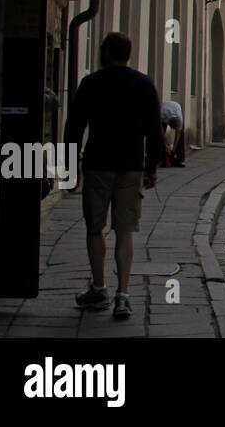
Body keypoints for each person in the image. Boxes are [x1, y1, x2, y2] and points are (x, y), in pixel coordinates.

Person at [64, 32, 162, 321]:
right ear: (128, 54)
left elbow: (74, 127)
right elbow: (154, 130)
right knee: (125, 230)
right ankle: (123, 294)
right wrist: (152, 167)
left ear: (106, 52)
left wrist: (70, 168)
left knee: (95, 229)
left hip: (98, 165)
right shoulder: (143, 85)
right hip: (130, 167)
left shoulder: (91, 83)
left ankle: (99, 287)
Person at [160, 100, 185, 167]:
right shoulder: (162, 115)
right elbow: (161, 133)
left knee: (181, 137)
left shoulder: (180, 120)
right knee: (159, 137)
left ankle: (180, 160)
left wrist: (173, 150)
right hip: (165, 108)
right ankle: (162, 159)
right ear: (170, 124)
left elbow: (178, 136)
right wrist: (167, 145)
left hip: (176, 106)